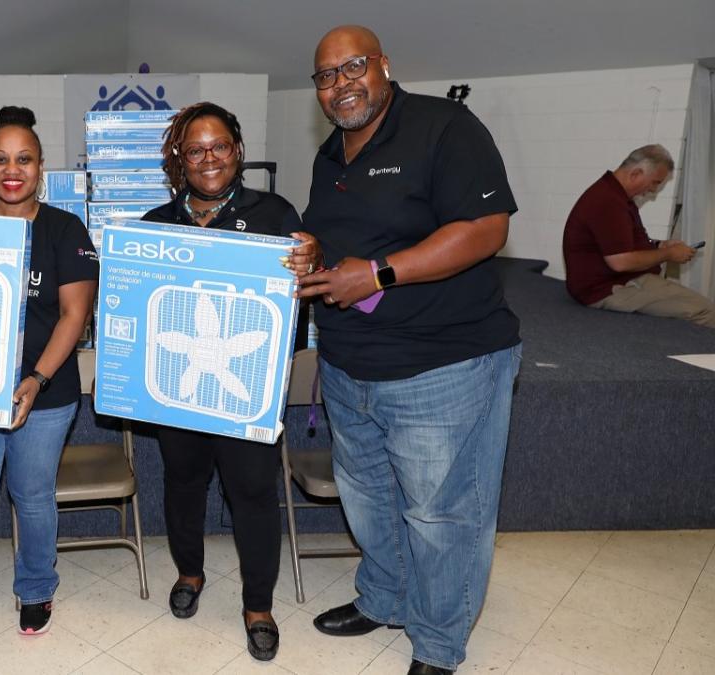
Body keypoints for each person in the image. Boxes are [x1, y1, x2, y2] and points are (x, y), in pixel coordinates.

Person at [295, 26, 521, 675]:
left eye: (353, 67)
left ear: (384, 66)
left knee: (441, 511)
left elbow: (485, 228)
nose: (341, 85)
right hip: (348, 363)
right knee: (368, 497)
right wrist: (316, 253)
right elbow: (347, 237)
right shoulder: (331, 155)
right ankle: (385, 596)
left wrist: (380, 273)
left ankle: (438, 641)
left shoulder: (445, 127)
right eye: (326, 76)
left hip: (442, 364)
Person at [141, 101, 318, 662]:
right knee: (183, 483)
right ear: (180, 158)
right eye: (196, 149)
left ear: (237, 151)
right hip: (181, 384)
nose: (209, 158)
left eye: (219, 146)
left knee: (253, 492)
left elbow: (298, 301)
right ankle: (190, 574)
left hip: (247, 384)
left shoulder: (276, 213)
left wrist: (311, 262)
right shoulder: (156, 225)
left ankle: (258, 605)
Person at [0, 106, 99, 635]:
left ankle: (35, 588)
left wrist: (34, 380)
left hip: (47, 395)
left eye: (24, 159)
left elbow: (74, 316)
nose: (13, 170)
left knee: (32, 499)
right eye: (1, 159)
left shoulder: (64, 229)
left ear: (41, 168)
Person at [563, 145, 713, 326]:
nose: (653, 190)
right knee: (707, 311)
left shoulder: (615, 196)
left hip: (614, 281)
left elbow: (624, 242)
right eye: (655, 182)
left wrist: (659, 245)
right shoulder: (608, 201)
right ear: (635, 174)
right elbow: (621, 262)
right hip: (606, 288)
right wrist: (669, 254)